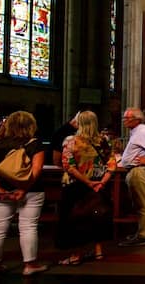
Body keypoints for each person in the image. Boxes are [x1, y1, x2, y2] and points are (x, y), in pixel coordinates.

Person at [0, 111, 48, 276]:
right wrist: (23, 189)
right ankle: (29, 265)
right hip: (31, 191)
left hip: (2, 192)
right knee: (28, 227)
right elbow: (37, 169)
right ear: (31, 126)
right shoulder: (35, 144)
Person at [56, 111, 116, 266]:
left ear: (80, 123)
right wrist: (102, 181)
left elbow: (69, 166)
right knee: (97, 216)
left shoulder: (71, 141)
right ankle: (98, 251)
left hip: (76, 185)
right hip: (99, 185)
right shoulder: (104, 140)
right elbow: (111, 163)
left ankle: (76, 255)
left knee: (76, 218)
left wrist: (88, 182)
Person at [118, 107, 145, 247]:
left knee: (143, 205)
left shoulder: (142, 130)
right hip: (135, 171)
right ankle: (141, 232)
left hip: (139, 171)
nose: (124, 120)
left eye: (127, 118)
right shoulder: (136, 131)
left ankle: (144, 236)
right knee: (138, 204)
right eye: (124, 117)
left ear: (137, 119)